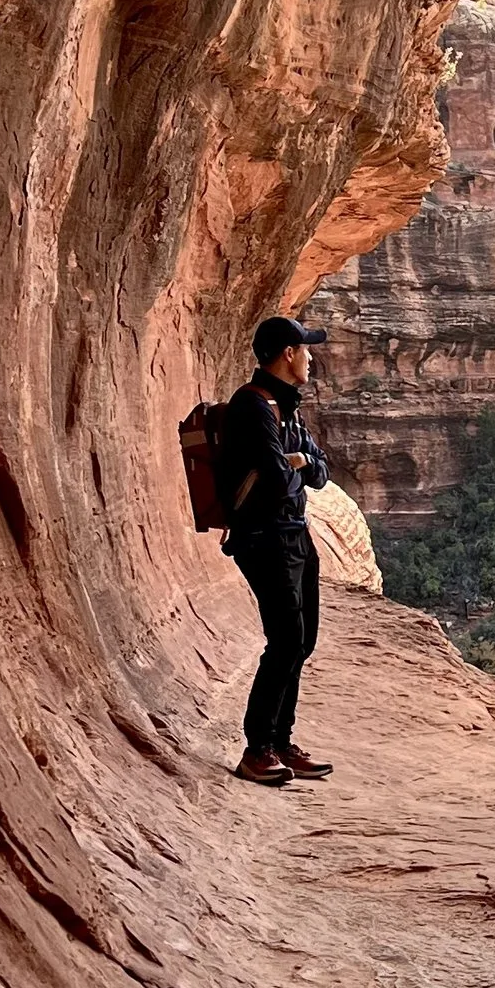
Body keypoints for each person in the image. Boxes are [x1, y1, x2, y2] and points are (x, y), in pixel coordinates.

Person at [220, 314, 336, 786]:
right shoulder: (252, 406)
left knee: (302, 642)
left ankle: (282, 742)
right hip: (263, 538)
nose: (310, 358)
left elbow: (320, 471)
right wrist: (297, 467)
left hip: (294, 535)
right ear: (288, 354)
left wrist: (301, 461)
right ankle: (257, 750)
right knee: (286, 640)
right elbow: (276, 479)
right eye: (305, 349)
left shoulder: (287, 408)